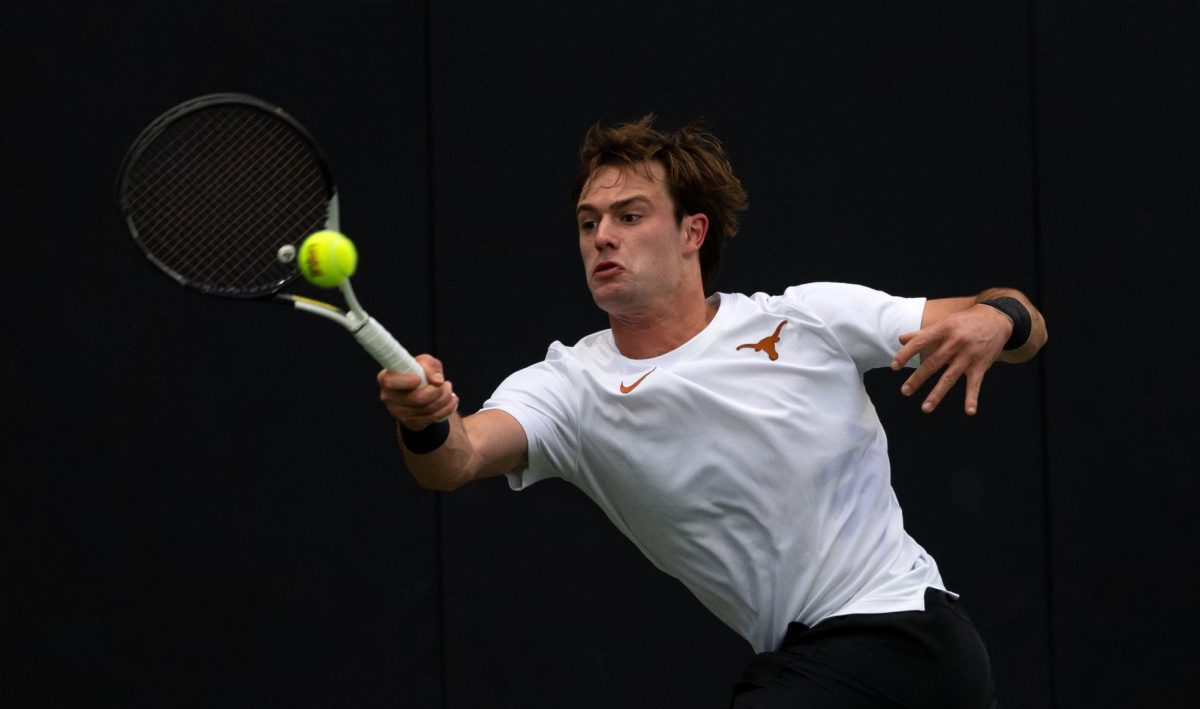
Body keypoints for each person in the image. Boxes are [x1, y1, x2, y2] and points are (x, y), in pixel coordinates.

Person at [377, 115, 1047, 708]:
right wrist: (423, 418)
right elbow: (454, 459)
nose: (603, 236)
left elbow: (1019, 318)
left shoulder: (807, 318)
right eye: (589, 222)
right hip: (820, 662)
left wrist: (997, 319)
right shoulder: (569, 388)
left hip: (911, 636)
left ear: (693, 231)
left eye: (630, 216)